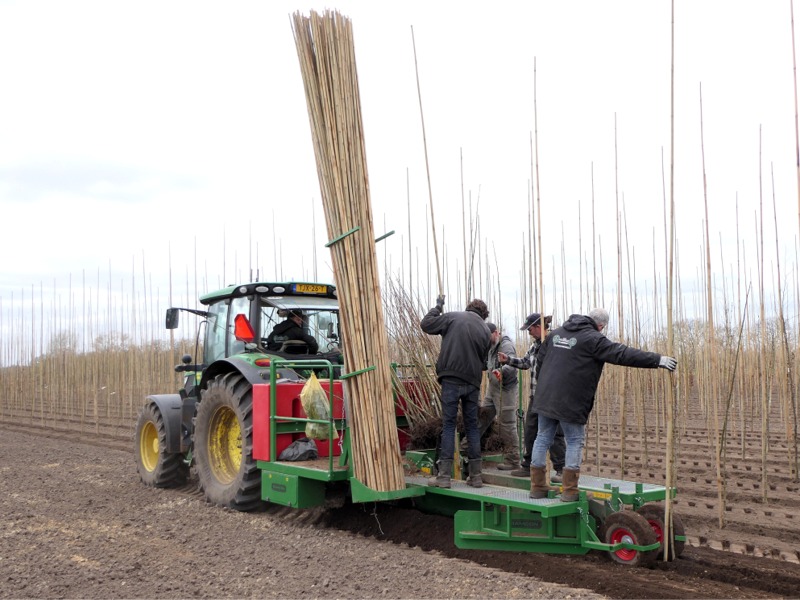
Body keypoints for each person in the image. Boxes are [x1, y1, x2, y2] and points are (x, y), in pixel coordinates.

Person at [530, 308, 678, 501]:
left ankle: (537, 487)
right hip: (571, 400)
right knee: (574, 440)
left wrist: (546, 387)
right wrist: (657, 360)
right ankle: (570, 490)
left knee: (542, 437)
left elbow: (540, 362)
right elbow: (622, 353)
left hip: (545, 397)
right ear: (601, 326)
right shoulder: (593, 339)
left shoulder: (555, 334)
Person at [420, 295, 491, 489]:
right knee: (472, 427)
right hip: (473, 382)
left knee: (449, 425)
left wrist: (438, 306)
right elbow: (484, 363)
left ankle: (444, 476)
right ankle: (476, 476)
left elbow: (426, 324)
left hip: (451, 378)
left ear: (468, 308)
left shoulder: (453, 317)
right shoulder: (486, 330)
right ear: (484, 315)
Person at [498, 312, 566, 482]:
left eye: (530, 329)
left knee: (555, 434)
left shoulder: (554, 343)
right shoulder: (535, 346)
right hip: (536, 397)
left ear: (538, 327)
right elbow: (525, 363)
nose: (528, 332)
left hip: (552, 397)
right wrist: (508, 360)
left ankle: (561, 469)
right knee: (530, 431)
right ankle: (528, 466)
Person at [474, 323, 520, 470]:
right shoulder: (489, 346)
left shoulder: (505, 345)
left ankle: (513, 460)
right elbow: (485, 363)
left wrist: (502, 371)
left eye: (487, 335)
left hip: (506, 390)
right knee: (483, 416)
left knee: (507, 424)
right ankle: (467, 448)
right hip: (492, 388)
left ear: (496, 333)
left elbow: (511, 364)